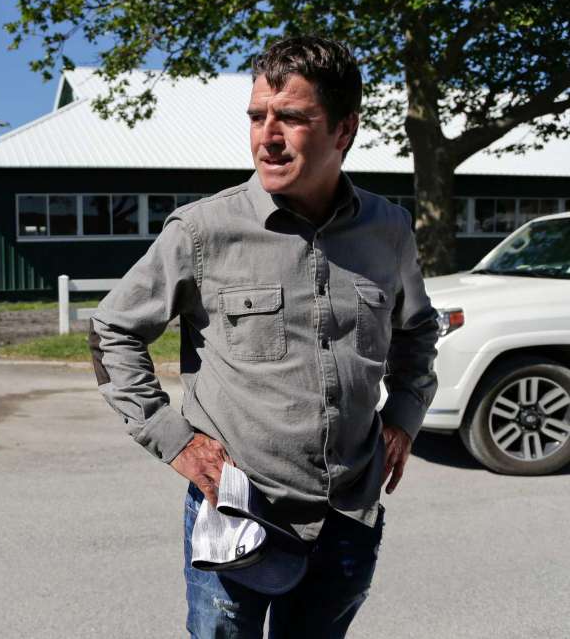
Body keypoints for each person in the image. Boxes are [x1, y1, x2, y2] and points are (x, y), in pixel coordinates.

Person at [88, 36, 439, 638]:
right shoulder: (203, 230)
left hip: (349, 513)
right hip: (238, 510)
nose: (266, 137)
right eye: (257, 116)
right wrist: (173, 440)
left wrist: (404, 413)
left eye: (292, 118)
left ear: (344, 130)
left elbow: (418, 328)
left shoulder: (389, 230)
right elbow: (112, 327)